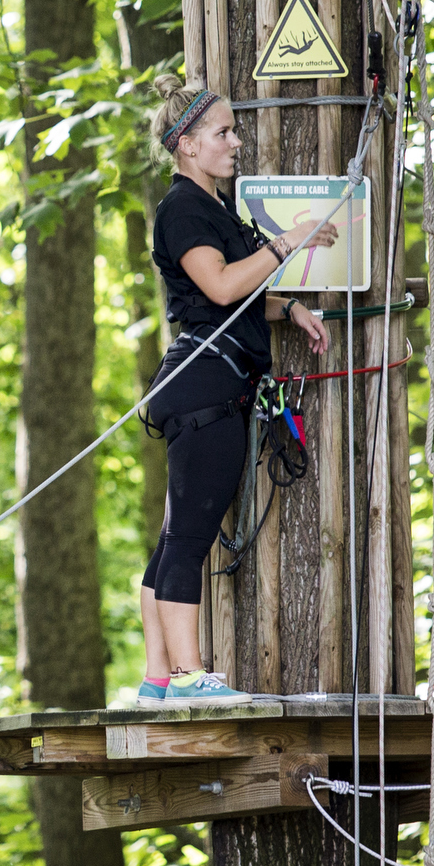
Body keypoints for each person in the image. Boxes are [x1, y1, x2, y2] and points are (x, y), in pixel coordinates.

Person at [133, 74, 336, 707]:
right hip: (204, 389)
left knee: (176, 533)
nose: (236, 142)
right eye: (223, 133)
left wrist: (289, 308)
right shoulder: (182, 209)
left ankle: (158, 679)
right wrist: (289, 240)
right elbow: (220, 287)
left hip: (212, 384)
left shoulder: (214, 208)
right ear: (187, 144)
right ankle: (188, 677)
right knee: (188, 537)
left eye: (235, 131)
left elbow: (233, 298)